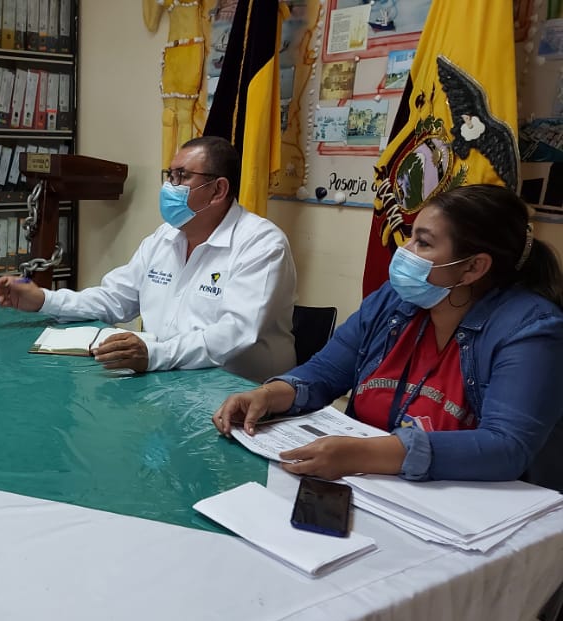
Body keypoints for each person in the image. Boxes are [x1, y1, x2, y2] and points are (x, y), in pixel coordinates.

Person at [213, 184, 563, 486]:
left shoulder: (531, 329)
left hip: (464, 508)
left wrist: (364, 454)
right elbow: (326, 372)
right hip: (370, 487)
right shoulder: (393, 301)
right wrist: (268, 395)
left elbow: (506, 447)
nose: (404, 251)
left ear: (474, 267)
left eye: (423, 243)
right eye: (411, 236)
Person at [0, 136, 297, 382]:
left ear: (218, 190)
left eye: (182, 176)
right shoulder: (165, 237)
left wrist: (154, 355)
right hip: (167, 378)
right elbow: (115, 298)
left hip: (241, 393)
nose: (169, 186)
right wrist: (44, 300)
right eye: (169, 175)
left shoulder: (261, 245)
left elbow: (234, 333)